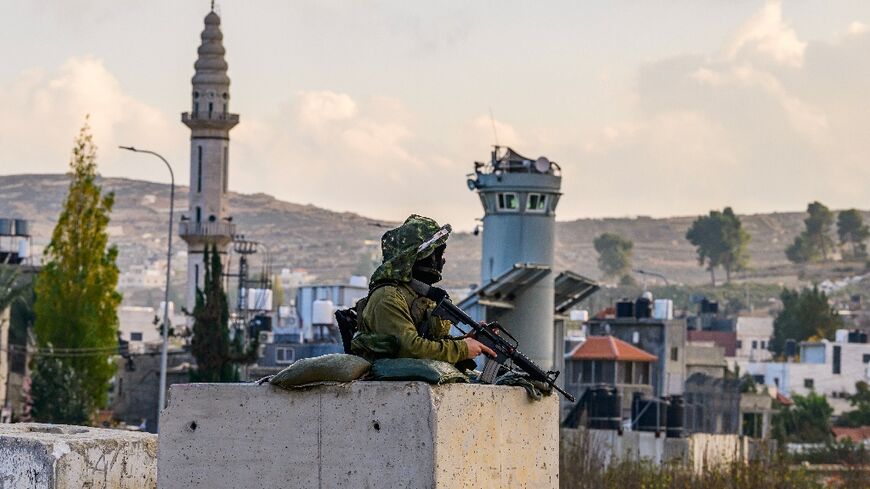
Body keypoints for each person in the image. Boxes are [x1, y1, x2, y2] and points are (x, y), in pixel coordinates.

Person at [352, 214, 495, 363]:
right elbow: (410, 348)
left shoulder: (418, 295)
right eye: (438, 254)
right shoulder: (387, 297)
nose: (441, 261)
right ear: (419, 256)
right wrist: (462, 349)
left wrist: (466, 341)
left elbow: (430, 342)